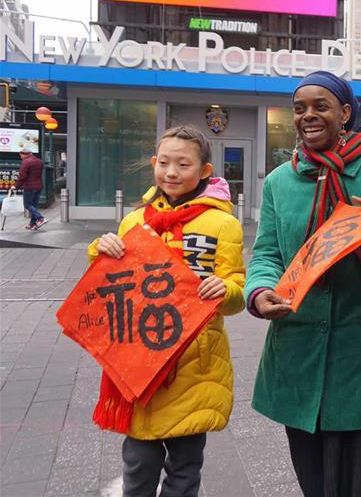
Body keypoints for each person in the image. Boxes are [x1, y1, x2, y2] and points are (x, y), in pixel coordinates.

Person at [244, 71, 361, 497]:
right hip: (297, 352)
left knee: (359, 484)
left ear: (346, 113)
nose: (308, 116)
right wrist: (260, 293)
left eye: (321, 106)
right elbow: (266, 253)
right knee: (314, 481)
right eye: (300, 109)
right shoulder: (280, 181)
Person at [89, 124, 246, 497]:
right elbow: (110, 286)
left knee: (185, 469)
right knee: (138, 464)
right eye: (164, 163)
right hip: (140, 361)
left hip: (194, 364)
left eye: (183, 164)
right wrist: (100, 250)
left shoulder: (223, 224)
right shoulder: (134, 221)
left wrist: (226, 289)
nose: (171, 172)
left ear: (205, 171)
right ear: (153, 164)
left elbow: (237, 292)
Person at [15, 147, 46, 230]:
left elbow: (22, 176)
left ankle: (40, 218)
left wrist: (16, 186)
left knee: (27, 205)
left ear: (24, 154)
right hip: (38, 186)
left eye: (21, 155)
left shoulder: (26, 162)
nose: (20, 156)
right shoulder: (39, 161)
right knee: (34, 206)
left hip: (29, 187)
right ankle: (32, 224)